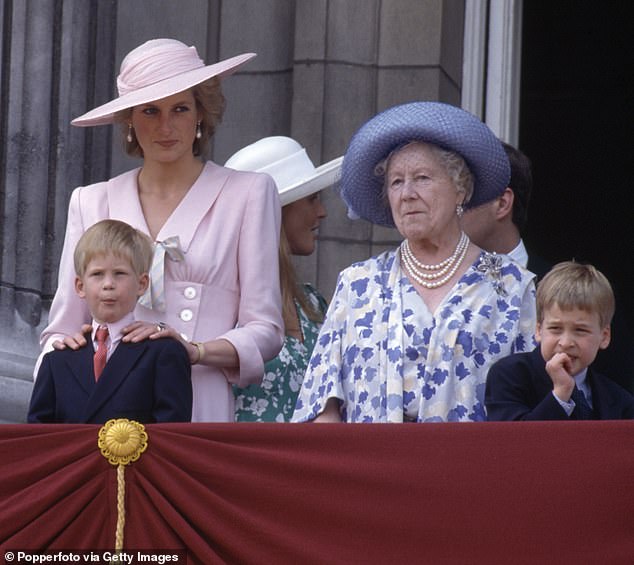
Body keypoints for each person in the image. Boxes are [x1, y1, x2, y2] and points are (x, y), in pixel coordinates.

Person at [37, 38, 284, 422]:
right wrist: (63, 349)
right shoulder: (91, 201)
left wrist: (194, 350)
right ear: (130, 120)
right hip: (105, 407)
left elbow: (265, 329)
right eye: (150, 111)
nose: (165, 126)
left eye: (180, 108)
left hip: (198, 400)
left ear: (201, 113)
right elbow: (62, 329)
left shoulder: (249, 193)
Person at [291, 101, 537, 423]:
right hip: (373, 469)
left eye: (422, 178)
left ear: (460, 189)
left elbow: (532, 410)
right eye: (396, 182)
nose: (407, 193)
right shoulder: (358, 286)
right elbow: (322, 407)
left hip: (470, 470)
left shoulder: (511, 287)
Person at [224, 136, 341, 422]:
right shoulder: (222, 304)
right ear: (275, 212)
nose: (321, 212)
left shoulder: (314, 302)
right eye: (312, 199)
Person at [28, 220, 192, 423]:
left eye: (119, 274)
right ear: (80, 286)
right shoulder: (56, 361)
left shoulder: (164, 353)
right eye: (97, 274)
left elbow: (171, 436)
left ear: (142, 284)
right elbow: (39, 439)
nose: (108, 284)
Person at [485, 261, 634, 420]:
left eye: (580, 330)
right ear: (538, 330)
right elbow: (514, 442)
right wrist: (561, 394)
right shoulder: (509, 376)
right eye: (555, 328)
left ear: (604, 337)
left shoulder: (618, 400)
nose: (565, 342)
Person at [461, 141, 550, 279]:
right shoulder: (433, 283)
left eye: (464, 195)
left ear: (502, 204)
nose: (451, 205)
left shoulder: (559, 290)